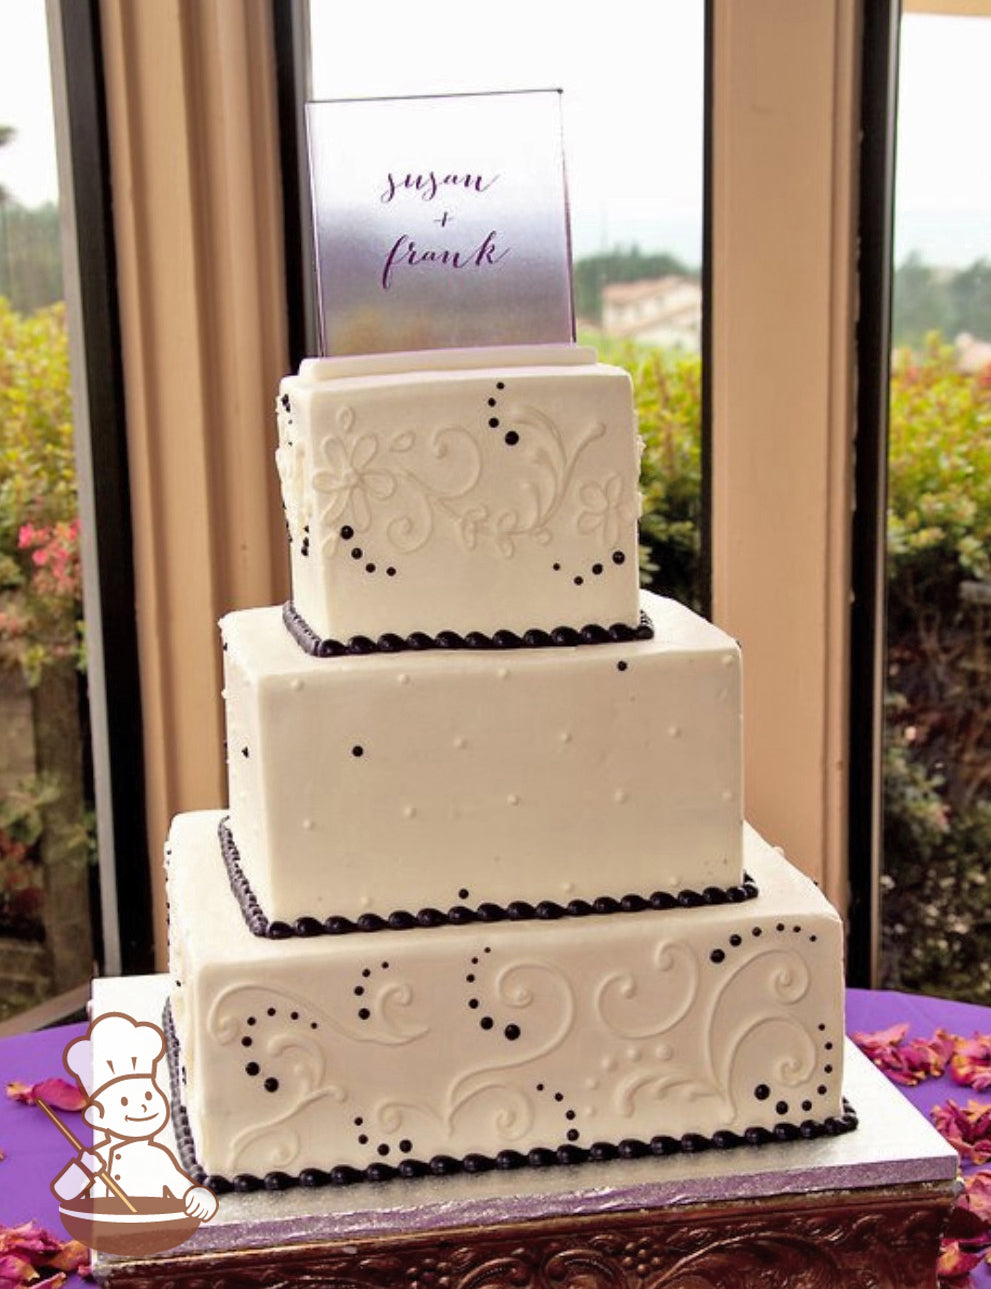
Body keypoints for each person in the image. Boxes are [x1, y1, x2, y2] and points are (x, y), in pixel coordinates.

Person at [50, 1011, 217, 1222]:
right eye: (124, 1102)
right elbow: (65, 1190)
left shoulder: (159, 1156)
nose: (141, 1107)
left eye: (148, 1096)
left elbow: (187, 1193)